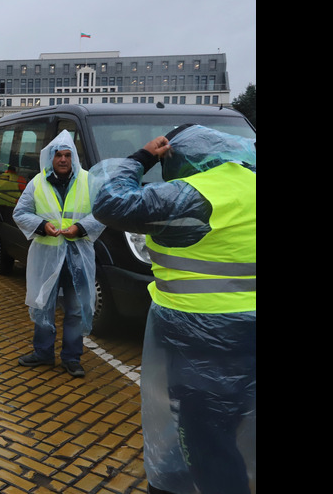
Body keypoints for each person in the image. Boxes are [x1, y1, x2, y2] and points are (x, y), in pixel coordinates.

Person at [89, 125, 256, 494]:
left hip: (207, 336)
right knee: (224, 423)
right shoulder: (249, 183)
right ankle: (177, 480)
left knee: (205, 438)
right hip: (240, 335)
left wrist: (142, 158)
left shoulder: (198, 192)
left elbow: (110, 203)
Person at [13, 130, 105, 378]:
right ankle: (43, 353)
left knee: (75, 309)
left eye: (67, 155)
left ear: (73, 157)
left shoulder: (89, 181)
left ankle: (71, 358)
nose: (63, 159)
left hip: (78, 257)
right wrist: (42, 226)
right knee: (44, 306)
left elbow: (103, 212)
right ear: (51, 158)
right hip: (47, 256)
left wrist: (81, 227)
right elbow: (20, 212)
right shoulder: (38, 183)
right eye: (58, 155)